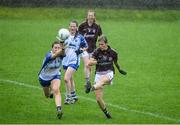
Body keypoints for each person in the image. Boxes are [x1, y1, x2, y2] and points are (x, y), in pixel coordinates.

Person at [88, 35, 127, 119]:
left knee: (101, 82)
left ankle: (91, 88)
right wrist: (97, 61)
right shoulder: (96, 52)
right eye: (99, 44)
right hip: (98, 73)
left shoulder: (113, 52)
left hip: (109, 73)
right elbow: (89, 63)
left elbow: (116, 62)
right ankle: (107, 113)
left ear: (106, 44)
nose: (100, 46)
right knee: (98, 99)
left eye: (102, 44)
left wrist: (119, 70)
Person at [62, 20, 88, 104]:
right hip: (65, 60)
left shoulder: (80, 37)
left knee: (66, 79)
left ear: (77, 27)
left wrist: (81, 50)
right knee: (70, 78)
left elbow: (86, 46)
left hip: (74, 61)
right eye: (71, 26)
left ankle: (68, 97)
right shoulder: (65, 36)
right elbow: (60, 46)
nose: (72, 28)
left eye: (74, 26)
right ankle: (74, 95)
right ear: (69, 27)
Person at [38, 41, 65, 119]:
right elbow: (55, 55)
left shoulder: (62, 55)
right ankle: (50, 92)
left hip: (55, 75)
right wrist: (62, 47)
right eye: (55, 48)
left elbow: (63, 53)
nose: (56, 49)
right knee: (47, 95)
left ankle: (59, 109)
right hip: (44, 78)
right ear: (52, 48)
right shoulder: (48, 55)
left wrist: (63, 47)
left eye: (58, 47)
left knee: (56, 90)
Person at [79, 10, 102, 93]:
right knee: (87, 64)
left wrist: (101, 46)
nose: (90, 17)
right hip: (84, 49)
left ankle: (87, 81)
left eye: (92, 15)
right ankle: (87, 82)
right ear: (87, 16)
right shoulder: (82, 25)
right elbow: (78, 36)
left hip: (93, 49)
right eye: (89, 15)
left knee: (90, 67)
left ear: (94, 17)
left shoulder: (97, 26)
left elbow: (101, 37)